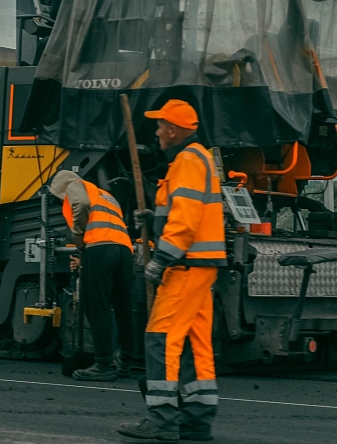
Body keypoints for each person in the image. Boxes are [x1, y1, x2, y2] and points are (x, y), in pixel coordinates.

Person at [118, 99, 226, 442]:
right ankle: (197, 420)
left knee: (161, 338)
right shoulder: (200, 159)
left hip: (185, 267)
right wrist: (155, 220)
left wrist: (161, 259)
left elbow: (187, 219)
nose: (157, 131)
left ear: (175, 130)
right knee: (196, 345)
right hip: (200, 268)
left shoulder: (187, 160)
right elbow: (185, 212)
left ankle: (163, 417)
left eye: (161, 125)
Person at [50, 170, 134, 382]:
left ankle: (103, 364)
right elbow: (108, 227)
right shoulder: (107, 195)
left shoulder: (76, 186)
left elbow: (81, 205)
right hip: (123, 250)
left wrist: (78, 238)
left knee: (97, 307)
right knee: (124, 308)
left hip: (99, 249)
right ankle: (125, 360)